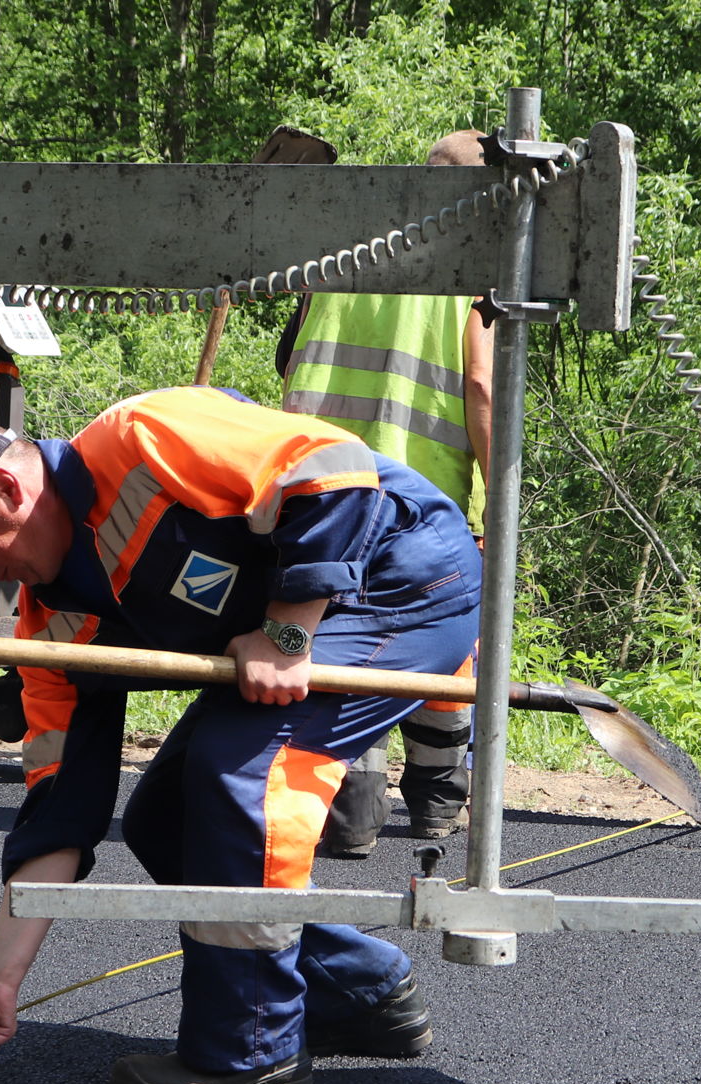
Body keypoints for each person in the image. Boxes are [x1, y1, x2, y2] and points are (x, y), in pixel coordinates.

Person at [0, 387, 482, 1084]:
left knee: (240, 774)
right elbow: (59, 810)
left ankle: (249, 1049)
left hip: (407, 578)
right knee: (167, 817)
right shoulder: (52, 627)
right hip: (325, 619)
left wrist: (286, 630)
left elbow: (334, 467)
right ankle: (363, 994)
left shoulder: (141, 439)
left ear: (5, 486)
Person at [278, 128, 494, 856]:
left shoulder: (343, 249)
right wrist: (498, 507)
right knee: (441, 643)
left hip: (326, 493)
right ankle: (437, 809)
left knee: (344, 642)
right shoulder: (473, 263)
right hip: (422, 497)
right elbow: (482, 387)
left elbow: (295, 362)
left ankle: (350, 815)